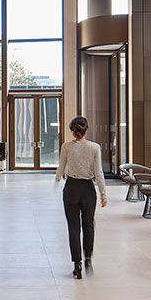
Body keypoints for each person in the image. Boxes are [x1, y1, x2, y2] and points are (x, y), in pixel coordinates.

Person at [55, 116, 107, 279]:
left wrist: (57, 180)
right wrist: (103, 194)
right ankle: (88, 259)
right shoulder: (94, 147)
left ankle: (77, 265)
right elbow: (98, 173)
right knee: (89, 225)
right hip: (88, 189)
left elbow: (61, 167)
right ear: (86, 130)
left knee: (73, 227)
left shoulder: (66, 146)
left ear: (72, 130)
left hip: (71, 188)